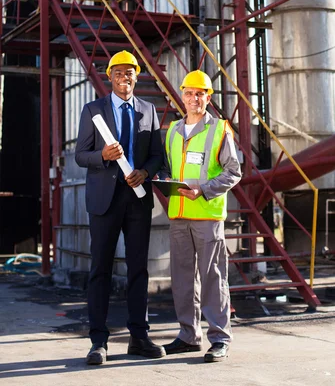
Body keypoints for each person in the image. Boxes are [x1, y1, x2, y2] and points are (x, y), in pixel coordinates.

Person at [75, 50, 165, 365]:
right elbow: (80, 155)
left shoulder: (149, 110)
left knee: (138, 269)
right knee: (100, 269)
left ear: (136, 76)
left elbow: (158, 156)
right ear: (110, 77)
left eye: (129, 72)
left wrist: (146, 172)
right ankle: (98, 341)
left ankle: (139, 338)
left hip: (138, 199)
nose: (124, 77)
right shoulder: (93, 110)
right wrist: (103, 156)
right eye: (118, 73)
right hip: (104, 201)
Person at [162, 69, 242, 363]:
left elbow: (234, 171)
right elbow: (172, 170)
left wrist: (205, 189)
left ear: (208, 98)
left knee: (213, 278)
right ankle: (188, 336)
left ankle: (220, 338)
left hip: (207, 215)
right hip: (179, 215)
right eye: (189, 93)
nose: (194, 98)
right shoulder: (171, 130)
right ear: (181, 96)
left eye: (200, 93)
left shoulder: (220, 129)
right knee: (182, 279)